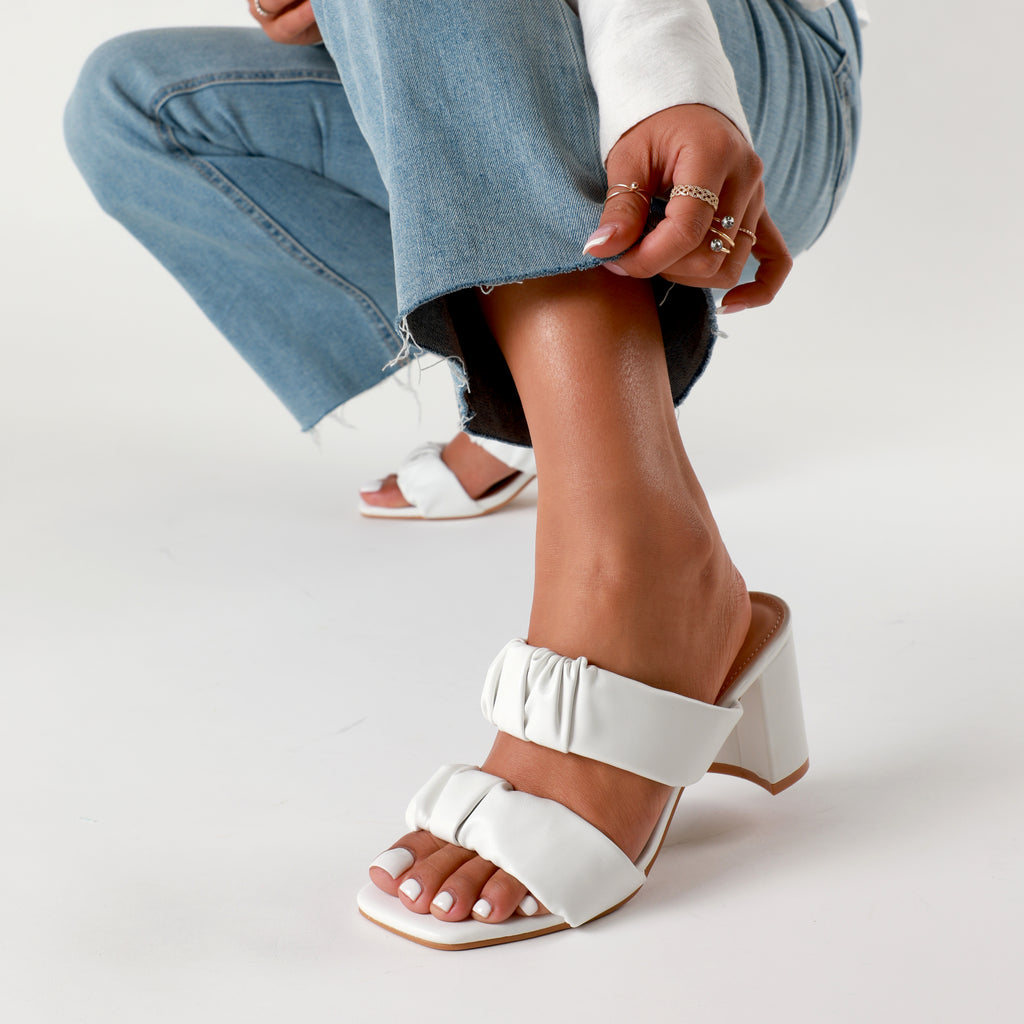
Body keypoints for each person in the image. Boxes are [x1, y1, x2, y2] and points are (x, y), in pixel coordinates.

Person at [65, 0, 864, 948]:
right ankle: (549, 400)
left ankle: (636, 556)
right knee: (132, 102)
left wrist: (668, 70)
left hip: (736, 71)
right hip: (527, 71)